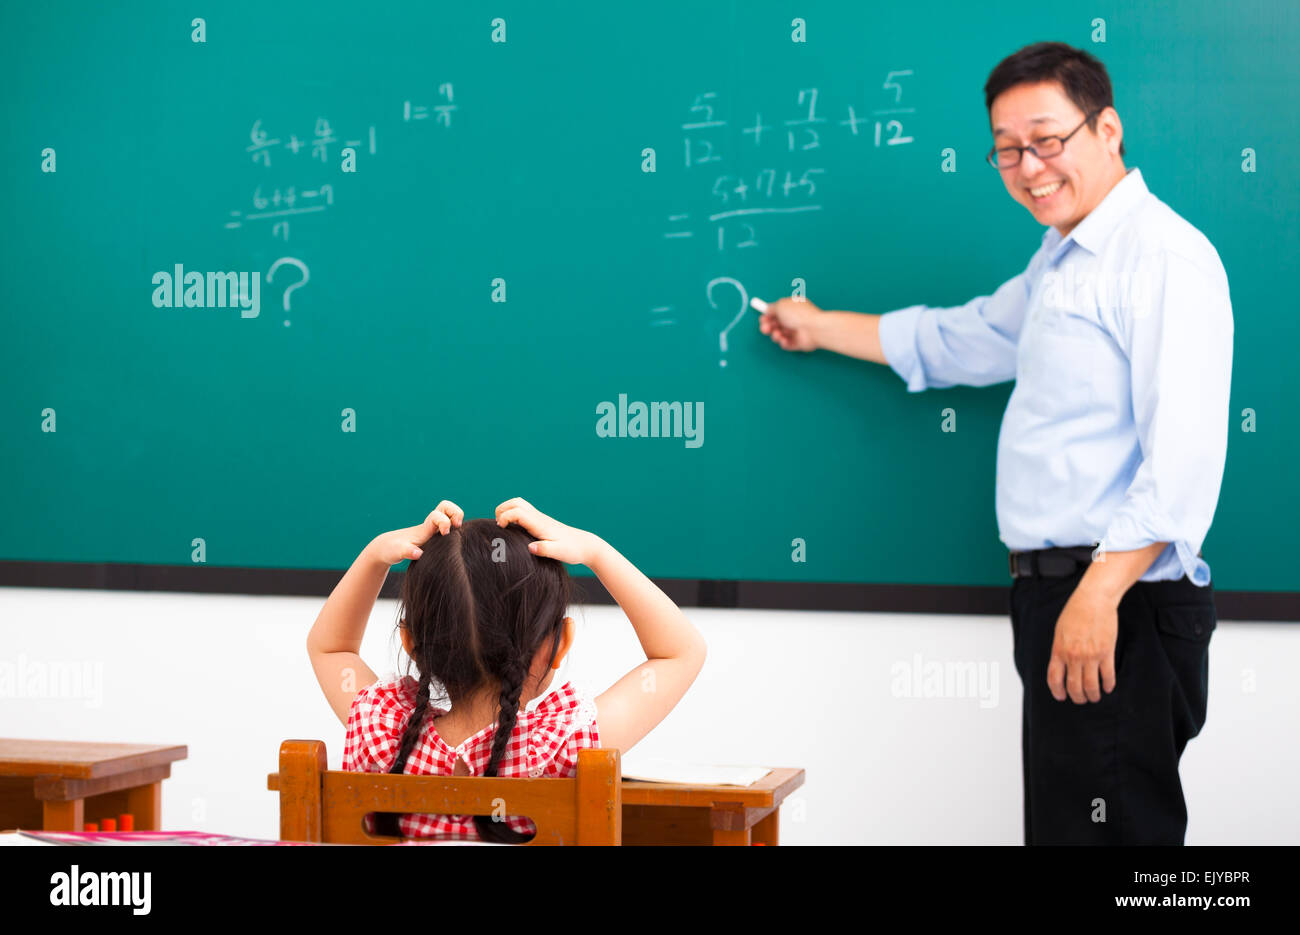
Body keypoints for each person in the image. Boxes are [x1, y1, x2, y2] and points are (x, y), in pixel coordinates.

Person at [758, 41, 1232, 844]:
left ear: (1107, 128)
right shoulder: (1061, 258)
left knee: (1112, 837)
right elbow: (964, 339)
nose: (1028, 166)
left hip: (1115, 597)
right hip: (1064, 596)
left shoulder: (1158, 256)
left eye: (1047, 139)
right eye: (1007, 149)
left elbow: (1183, 461)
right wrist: (821, 326)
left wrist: (1097, 595)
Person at [306, 497, 707, 842]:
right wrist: (595, 550)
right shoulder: (561, 743)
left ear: (412, 645)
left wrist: (375, 553)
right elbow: (680, 652)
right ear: (560, 644)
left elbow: (331, 648)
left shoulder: (381, 731)